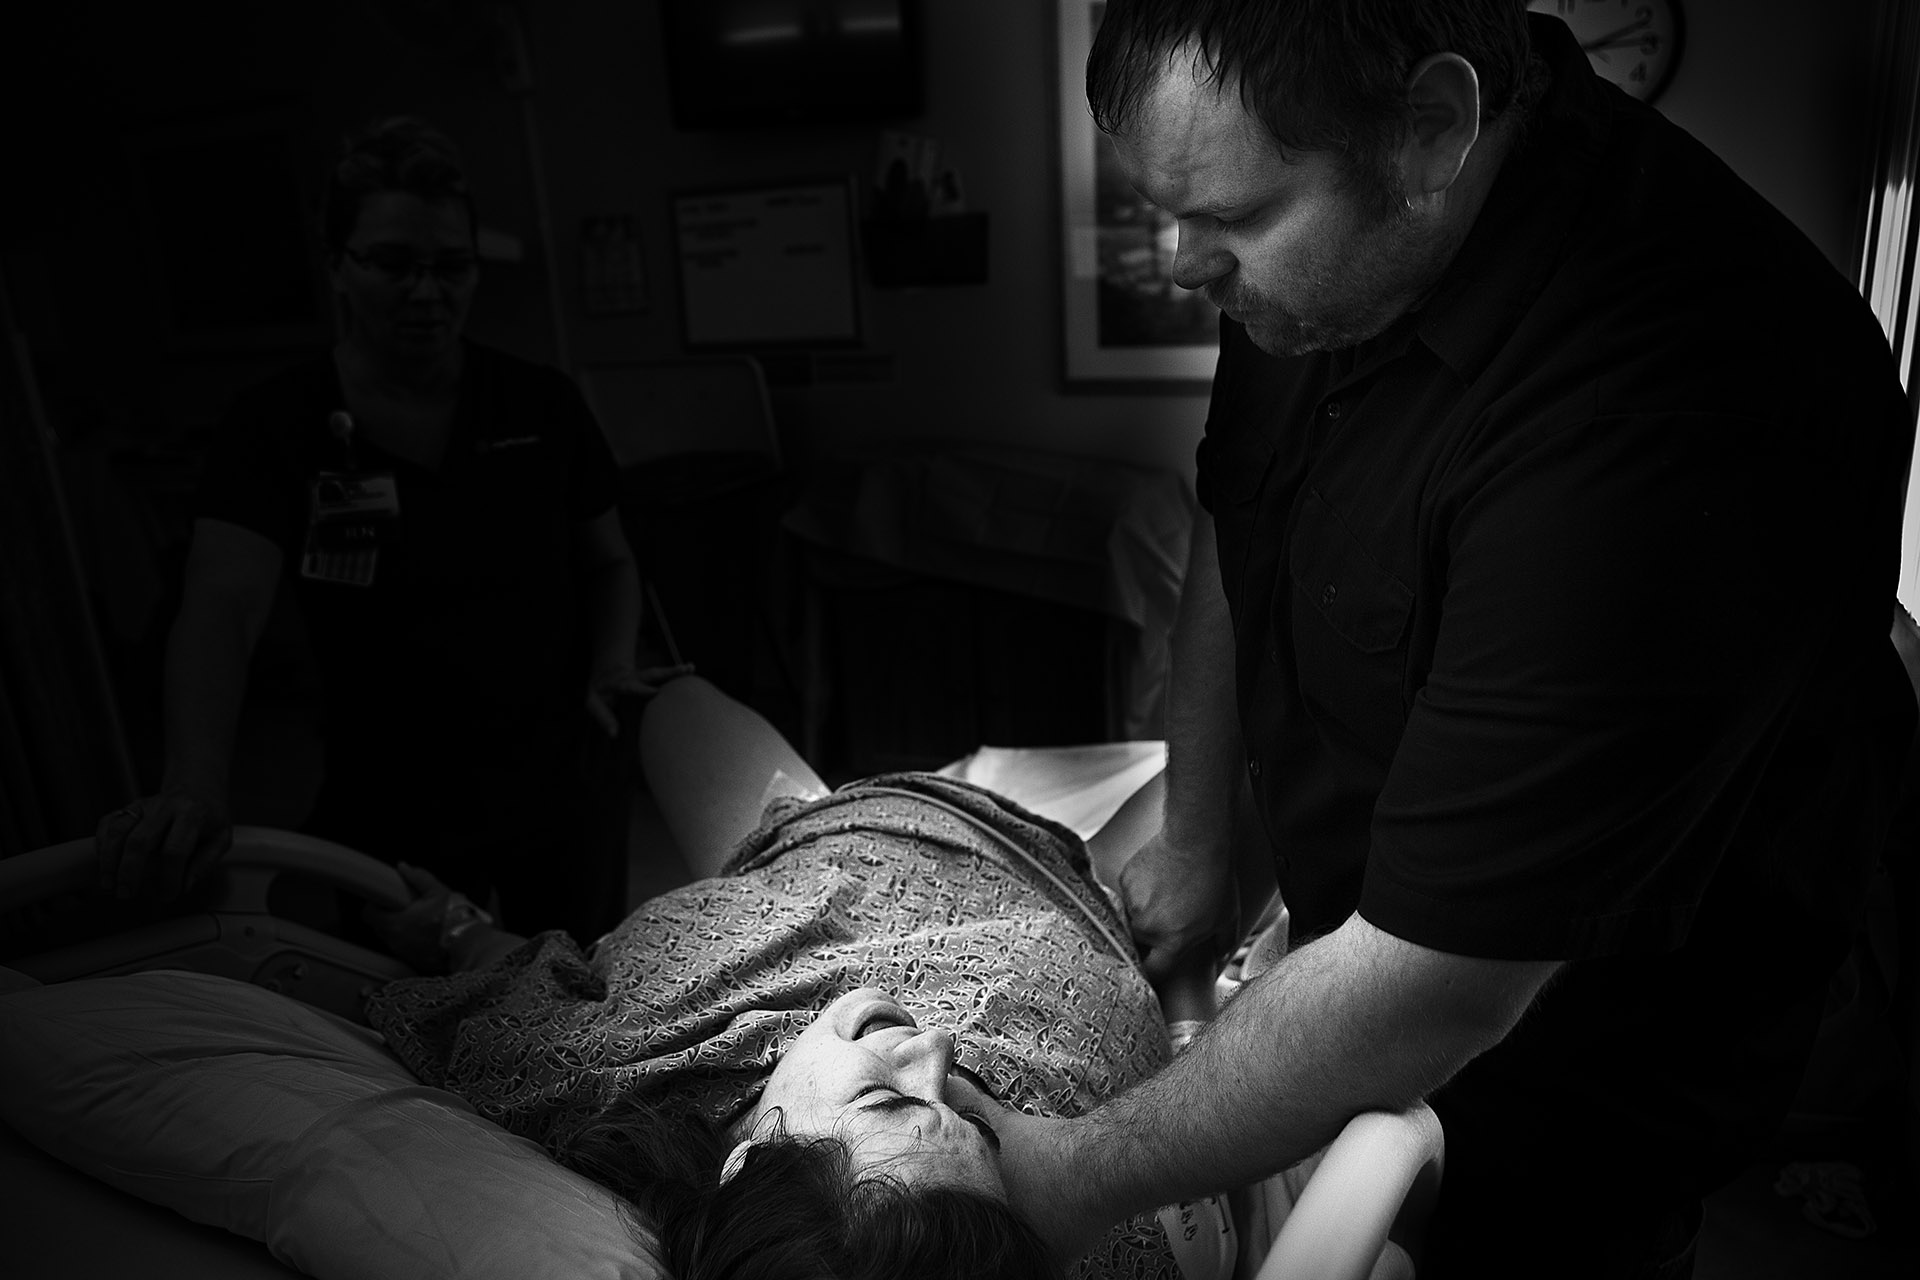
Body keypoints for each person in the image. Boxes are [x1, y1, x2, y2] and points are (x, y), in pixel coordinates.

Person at [992, 4, 1918, 1279]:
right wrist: (1202, 839)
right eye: (1174, 212)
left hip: (1581, 1057)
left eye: (1232, 221)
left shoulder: (1686, 389)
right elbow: (1240, 503)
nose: (1186, 264)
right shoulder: (1320, 249)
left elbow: (1441, 982)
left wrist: (1064, 1178)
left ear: (1431, 131)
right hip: (1372, 937)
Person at [357, 674, 1210, 1280]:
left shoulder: (603, 1068)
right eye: (988, 1135)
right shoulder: (1107, 1234)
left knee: (657, 698)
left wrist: (453, 927)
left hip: (817, 828)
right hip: (1090, 892)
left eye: (888, 1099)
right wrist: (1191, 988)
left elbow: (503, 989)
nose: (940, 1049)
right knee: (1269, 755)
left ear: (747, 1163)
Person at [91, 117, 686, 940]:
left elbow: (611, 562)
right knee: (415, 1009)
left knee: (576, 986)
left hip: (557, 774)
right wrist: (194, 781)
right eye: (396, 265)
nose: (427, 291)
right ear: (338, 264)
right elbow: (221, 607)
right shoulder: (279, 427)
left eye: (451, 267)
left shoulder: (539, 405)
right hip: (390, 792)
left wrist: (613, 664)